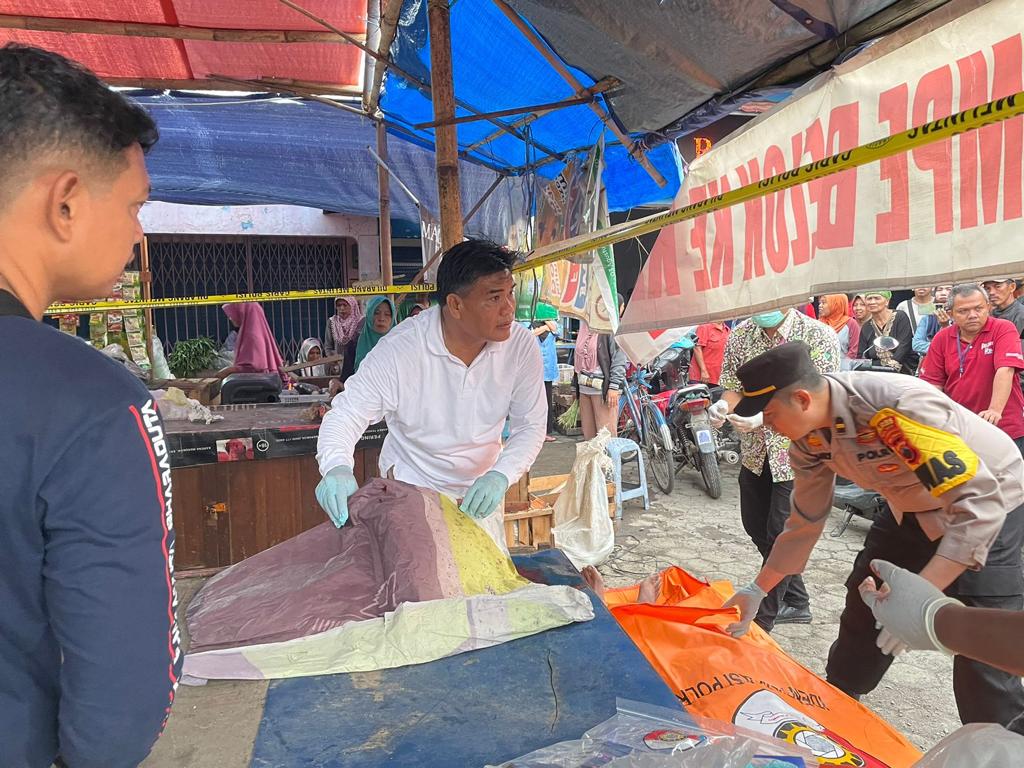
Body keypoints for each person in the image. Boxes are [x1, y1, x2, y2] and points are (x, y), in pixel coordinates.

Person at [0, 44, 181, 768]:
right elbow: (121, 702)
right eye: (135, 205)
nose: (139, 234)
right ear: (65, 201)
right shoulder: (91, 408)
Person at [722, 341, 1024, 728]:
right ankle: (838, 700)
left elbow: (976, 502)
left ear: (800, 399)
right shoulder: (808, 437)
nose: (768, 425)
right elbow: (805, 520)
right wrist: (759, 588)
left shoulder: (891, 409)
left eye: (769, 414)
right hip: (908, 505)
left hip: (989, 501)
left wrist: (920, 598)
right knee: (867, 596)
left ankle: (996, 742)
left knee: (983, 635)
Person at [315, 239, 546, 550]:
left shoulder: (520, 347)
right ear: (455, 305)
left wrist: (501, 476)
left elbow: (530, 426)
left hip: (479, 494)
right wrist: (337, 467)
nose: (508, 308)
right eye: (494, 297)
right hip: (412, 490)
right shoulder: (401, 350)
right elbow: (346, 414)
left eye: (510, 293)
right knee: (421, 587)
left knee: (482, 589)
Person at [709, 308, 841, 632]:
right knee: (756, 527)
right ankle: (796, 599)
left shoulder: (818, 336)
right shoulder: (741, 335)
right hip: (755, 451)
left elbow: (821, 398)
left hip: (798, 450)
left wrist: (765, 418)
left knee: (778, 534)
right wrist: (724, 406)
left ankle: (760, 621)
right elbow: (733, 386)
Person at [919, 284, 1024, 452]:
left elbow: (1005, 370)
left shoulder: (1003, 328)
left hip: (1004, 427)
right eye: (963, 311)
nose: (973, 315)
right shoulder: (942, 338)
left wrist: (995, 410)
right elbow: (933, 384)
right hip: (961, 430)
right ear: (950, 313)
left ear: (988, 307)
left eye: (979, 308)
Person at [574, 294, 627, 441]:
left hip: (603, 391)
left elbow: (619, 358)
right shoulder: (585, 325)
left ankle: (609, 465)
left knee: (606, 439)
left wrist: (614, 387)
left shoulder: (613, 327)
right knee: (590, 439)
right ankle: (593, 465)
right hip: (585, 387)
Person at [218, 302, 288, 382]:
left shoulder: (252, 336)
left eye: (231, 315)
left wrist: (228, 371)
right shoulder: (249, 332)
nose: (230, 318)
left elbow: (255, 367)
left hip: (259, 385)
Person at [523, 302, 559, 442]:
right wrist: (545, 326)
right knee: (532, 402)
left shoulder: (553, 322)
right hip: (532, 370)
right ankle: (532, 432)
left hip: (548, 370)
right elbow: (530, 334)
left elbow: (556, 329)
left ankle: (545, 432)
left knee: (547, 401)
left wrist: (547, 322)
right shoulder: (528, 322)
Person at [857, 290, 917, 373]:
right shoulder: (866, 327)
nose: (872, 302)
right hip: (876, 374)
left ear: (887, 301)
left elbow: (904, 345)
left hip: (903, 371)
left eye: (877, 298)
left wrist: (891, 366)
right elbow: (861, 355)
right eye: (869, 299)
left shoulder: (900, 317)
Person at [341, 295, 395, 379]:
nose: (381, 318)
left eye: (387, 314)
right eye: (376, 313)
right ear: (369, 315)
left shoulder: (399, 346)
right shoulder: (353, 346)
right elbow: (346, 381)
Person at [911, 284, 953, 358]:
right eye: (939, 290)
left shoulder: (961, 316)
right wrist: (941, 348)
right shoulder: (928, 317)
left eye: (948, 289)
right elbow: (916, 344)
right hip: (932, 361)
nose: (943, 293)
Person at [818, 294, 860, 359]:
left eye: (823, 303)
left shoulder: (851, 324)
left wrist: (843, 364)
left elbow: (854, 350)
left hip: (844, 367)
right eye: (820, 303)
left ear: (836, 304)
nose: (820, 306)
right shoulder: (818, 324)